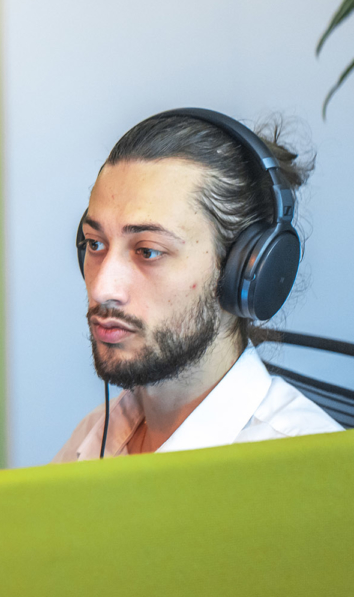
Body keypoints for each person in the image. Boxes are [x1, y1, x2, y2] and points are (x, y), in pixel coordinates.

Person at [53, 108, 342, 462]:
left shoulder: (311, 470)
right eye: (95, 244)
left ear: (245, 270)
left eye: (148, 251)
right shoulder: (92, 437)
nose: (101, 289)